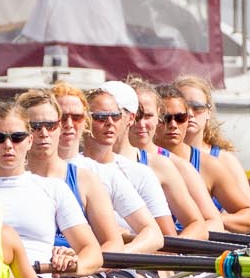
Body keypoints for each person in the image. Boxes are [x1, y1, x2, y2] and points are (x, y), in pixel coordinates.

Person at [30, 85, 165, 254]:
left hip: (93, 270)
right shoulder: (19, 176)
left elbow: (153, 233)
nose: (69, 124)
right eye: (61, 118)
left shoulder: (103, 174)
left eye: (77, 117)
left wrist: (113, 257)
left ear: (86, 121)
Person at [0, 100, 103, 275]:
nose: (8, 145)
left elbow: (93, 253)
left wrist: (72, 263)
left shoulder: (54, 189)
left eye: (17, 137)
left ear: (29, 141)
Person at [84, 80, 204, 240]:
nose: (109, 122)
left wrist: (129, 240)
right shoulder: (73, 166)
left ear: (129, 117)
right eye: (99, 116)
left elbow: (195, 226)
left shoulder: (157, 167)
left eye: (115, 115)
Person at [158, 78, 250, 234]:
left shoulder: (218, 162)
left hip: (202, 243)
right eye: (167, 116)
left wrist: (208, 221)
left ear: (208, 112)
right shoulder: (143, 158)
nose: (190, 114)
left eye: (196, 108)